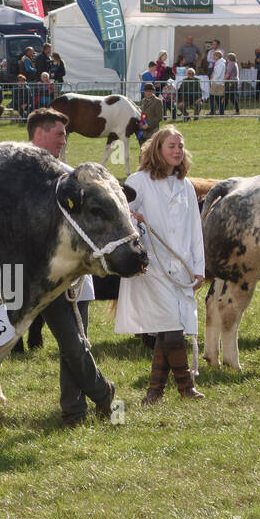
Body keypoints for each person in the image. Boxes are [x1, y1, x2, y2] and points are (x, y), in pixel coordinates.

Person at [0, 110, 119, 426]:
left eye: (65, 136)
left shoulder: (71, 175)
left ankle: (78, 409)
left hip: (63, 283)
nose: (64, 142)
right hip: (19, 285)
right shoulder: (11, 166)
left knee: (73, 346)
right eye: (60, 135)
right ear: (39, 133)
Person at [115, 126, 206, 402]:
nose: (177, 151)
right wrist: (135, 219)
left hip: (180, 266)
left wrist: (198, 267)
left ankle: (154, 391)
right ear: (158, 149)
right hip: (152, 264)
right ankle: (186, 387)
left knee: (171, 325)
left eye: (180, 146)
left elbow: (194, 228)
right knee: (171, 324)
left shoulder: (185, 185)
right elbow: (123, 216)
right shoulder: (138, 181)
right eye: (171, 146)